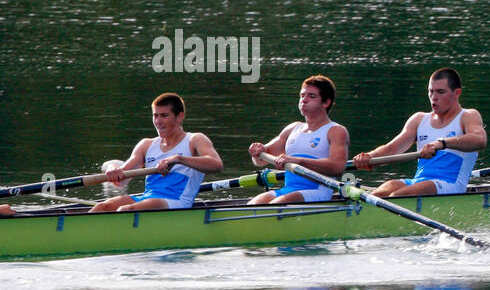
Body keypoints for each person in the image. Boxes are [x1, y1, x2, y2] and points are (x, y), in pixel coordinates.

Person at [353, 68, 487, 196]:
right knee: (383, 190)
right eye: (431, 91)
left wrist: (441, 143)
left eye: (440, 92)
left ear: (456, 93)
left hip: (450, 184)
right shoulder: (419, 119)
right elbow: (392, 148)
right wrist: (369, 157)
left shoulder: (468, 116)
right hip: (419, 182)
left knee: (398, 195)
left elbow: (480, 140)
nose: (434, 97)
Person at [88, 93, 223, 213]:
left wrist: (178, 159)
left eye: (164, 116)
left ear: (180, 117)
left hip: (176, 201)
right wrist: (114, 170)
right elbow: (122, 180)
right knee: (101, 207)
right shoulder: (146, 145)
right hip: (148, 198)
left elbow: (216, 165)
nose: (158, 121)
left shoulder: (195, 140)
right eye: (155, 115)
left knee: (125, 210)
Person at [247, 76, 349, 205]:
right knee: (252, 205)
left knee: (274, 205)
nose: (304, 100)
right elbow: (260, 161)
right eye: (302, 96)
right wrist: (257, 151)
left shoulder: (336, 131)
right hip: (288, 190)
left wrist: (297, 161)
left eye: (311, 96)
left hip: (317, 191)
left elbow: (337, 167)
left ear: (326, 103)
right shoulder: (292, 129)